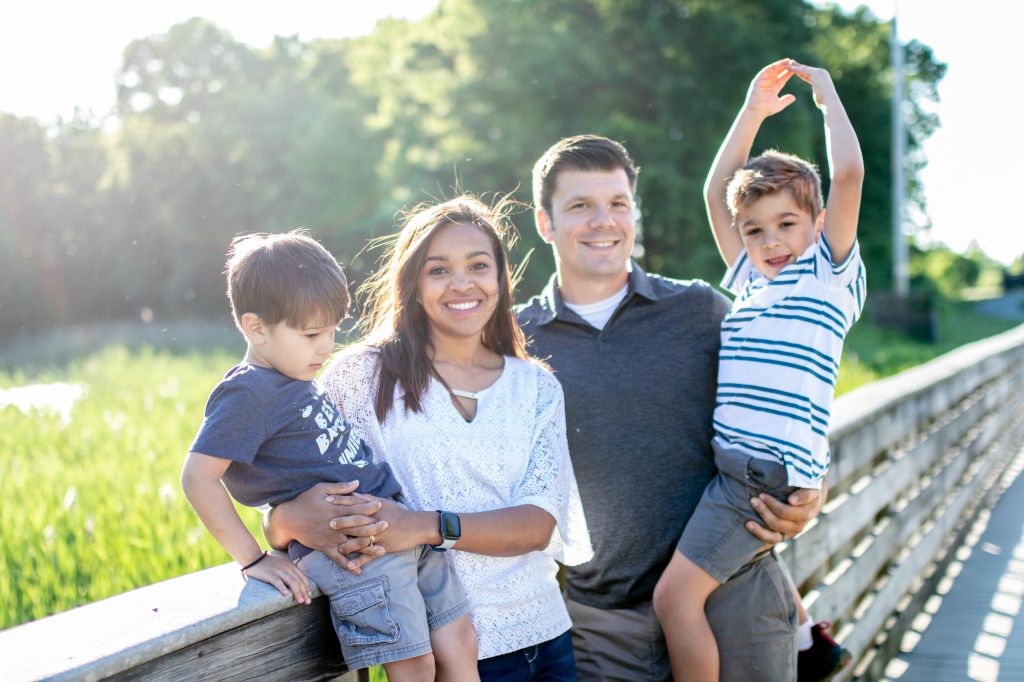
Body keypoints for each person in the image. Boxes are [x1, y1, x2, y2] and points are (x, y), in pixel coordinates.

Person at [514, 128, 827, 681]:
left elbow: (792, 386)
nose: (602, 220)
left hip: (734, 600)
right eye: (580, 206)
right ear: (546, 222)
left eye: (617, 203)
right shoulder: (514, 340)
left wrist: (812, 488)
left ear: (635, 214)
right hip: (603, 622)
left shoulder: (700, 310)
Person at [267, 197, 593, 681]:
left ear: (501, 280)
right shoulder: (363, 377)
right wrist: (280, 522)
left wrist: (425, 525)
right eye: (439, 270)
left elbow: (538, 525)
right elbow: (295, 489)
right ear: (414, 284)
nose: (463, 284)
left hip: (546, 641)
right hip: (437, 655)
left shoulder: (536, 387)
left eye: (479, 266)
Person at [180, 231, 479, 681]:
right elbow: (197, 477)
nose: (326, 346)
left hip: (399, 528)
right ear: (255, 328)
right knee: (414, 662)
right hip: (355, 552)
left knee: (460, 641)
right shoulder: (246, 392)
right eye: (311, 334)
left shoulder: (294, 373)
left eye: (333, 330)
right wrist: (254, 558)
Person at [650, 59, 864, 681]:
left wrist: (826, 98)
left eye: (787, 225)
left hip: (757, 478)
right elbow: (717, 190)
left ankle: (804, 642)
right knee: (718, 581)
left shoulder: (827, 276)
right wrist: (750, 112)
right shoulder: (751, 279)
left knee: (675, 599)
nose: (771, 241)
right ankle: (809, 640)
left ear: (817, 223)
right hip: (731, 467)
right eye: (756, 231)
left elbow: (847, 174)